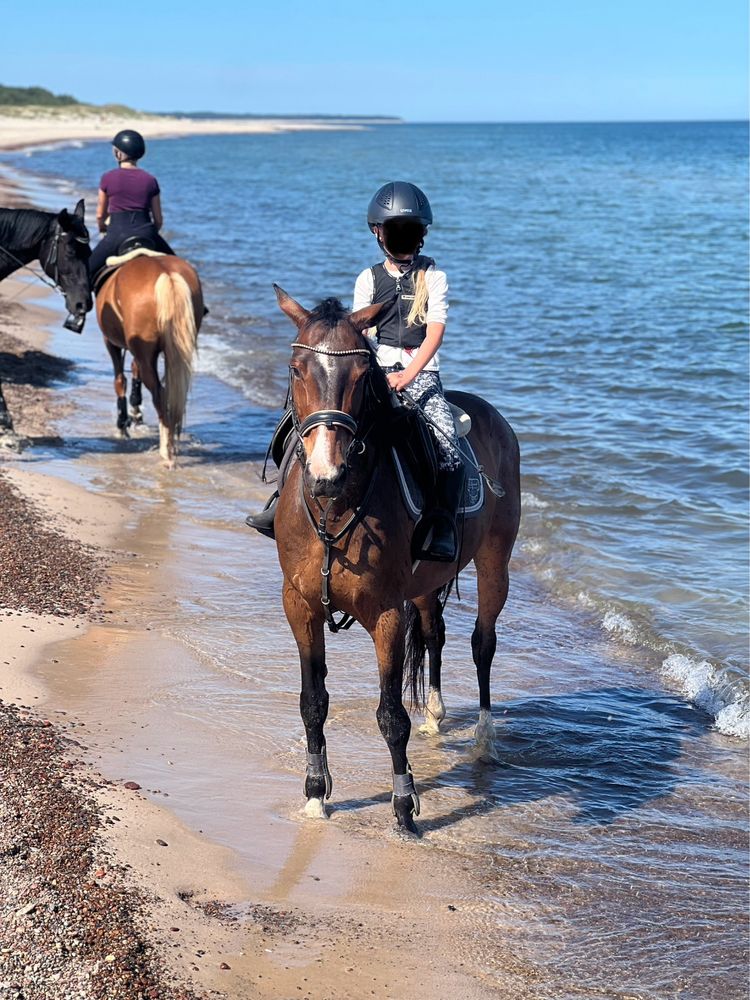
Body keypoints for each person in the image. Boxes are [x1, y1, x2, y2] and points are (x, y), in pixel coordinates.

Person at [247, 181, 464, 561]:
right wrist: (374, 374)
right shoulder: (368, 278)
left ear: (422, 236)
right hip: (373, 372)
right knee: (299, 424)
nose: (404, 240)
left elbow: (435, 334)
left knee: (447, 444)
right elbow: (360, 332)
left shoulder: (434, 277)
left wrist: (409, 374)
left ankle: (440, 524)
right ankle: (280, 500)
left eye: (410, 233)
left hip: (421, 373)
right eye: (396, 232)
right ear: (378, 233)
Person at [87, 129, 175, 283]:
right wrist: (150, 233)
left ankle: (80, 304)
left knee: (86, 272)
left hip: (117, 235)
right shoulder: (150, 180)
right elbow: (159, 220)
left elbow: (100, 215)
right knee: (179, 269)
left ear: (118, 154)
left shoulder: (107, 178)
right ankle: (201, 307)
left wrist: (102, 228)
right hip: (147, 233)